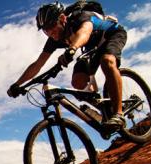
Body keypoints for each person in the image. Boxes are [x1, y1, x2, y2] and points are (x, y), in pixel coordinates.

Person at [7, 1, 127, 131]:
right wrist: (17, 84)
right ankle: (103, 108)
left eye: (52, 26)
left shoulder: (79, 18)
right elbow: (38, 64)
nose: (50, 32)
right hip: (91, 49)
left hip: (111, 35)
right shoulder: (54, 39)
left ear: (63, 19)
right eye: (46, 30)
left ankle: (118, 113)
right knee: (78, 82)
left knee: (107, 61)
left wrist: (73, 48)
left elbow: (84, 33)